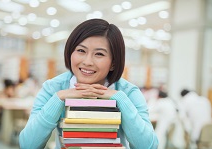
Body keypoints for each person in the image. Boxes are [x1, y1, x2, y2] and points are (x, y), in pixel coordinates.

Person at [19, 19, 158, 149]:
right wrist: (58, 98)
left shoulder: (128, 92)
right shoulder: (53, 88)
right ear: (70, 52)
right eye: (81, 51)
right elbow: (27, 144)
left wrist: (121, 100)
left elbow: (148, 146)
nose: (87, 61)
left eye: (99, 54)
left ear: (113, 63)